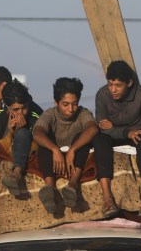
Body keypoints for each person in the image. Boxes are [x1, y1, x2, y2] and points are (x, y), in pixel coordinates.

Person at [92, 60, 141, 219]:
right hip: (116, 135)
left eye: (118, 85)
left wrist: (115, 128)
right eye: (110, 84)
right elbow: (102, 128)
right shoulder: (102, 95)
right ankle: (107, 199)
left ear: (129, 83)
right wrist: (126, 132)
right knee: (99, 140)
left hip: (137, 136)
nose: (113, 90)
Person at [32, 77, 102, 214]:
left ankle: (72, 185)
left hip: (75, 158)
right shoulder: (49, 114)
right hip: (54, 158)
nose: (71, 109)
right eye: (65, 104)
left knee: (82, 139)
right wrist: (54, 149)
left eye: (74, 104)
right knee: (44, 143)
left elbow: (93, 128)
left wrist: (73, 149)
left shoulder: (83, 113)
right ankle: (50, 189)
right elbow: (37, 133)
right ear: (56, 102)